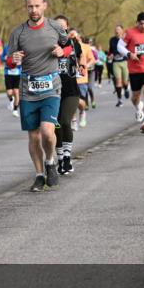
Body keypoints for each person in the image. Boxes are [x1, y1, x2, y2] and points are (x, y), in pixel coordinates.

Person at [5, 0, 68, 192]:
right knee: (33, 137)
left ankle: (51, 162)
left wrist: (62, 51)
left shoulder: (55, 27)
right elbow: (8, 59)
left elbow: (70, 47)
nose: (34, 10)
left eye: (37, 6)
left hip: (51, 87)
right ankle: (39, 175)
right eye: (30, 6)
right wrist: (13, 60)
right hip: (28, 90)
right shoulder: (18, 32)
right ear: (26, 7)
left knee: (47, 133)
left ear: (45, 5)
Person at [51, 17, 81, 176]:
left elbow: (76, 54)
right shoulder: (48, 44)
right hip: (53, 91)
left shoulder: (73, 43)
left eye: (64, 27)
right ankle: (60, 158)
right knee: (56, 125)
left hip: (71, 90)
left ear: (68, 28)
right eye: (57, 27)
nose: (61, 30)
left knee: (65, 122)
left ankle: (68, 158)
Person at [2, 40, 21, 117]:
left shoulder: (21, 48)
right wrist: (5, 58)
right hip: (8, 72)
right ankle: (11, 99)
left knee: (16, 92)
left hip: (18, 73)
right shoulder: (6, 47)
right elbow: (2, 57)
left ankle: (15, 110)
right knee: (9, 93)